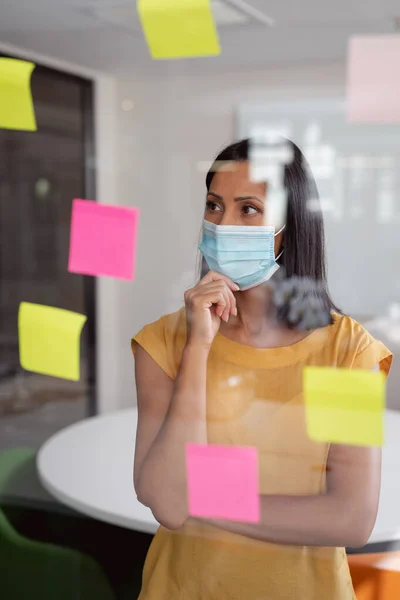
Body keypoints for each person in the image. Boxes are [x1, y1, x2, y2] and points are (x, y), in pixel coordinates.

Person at [131, 138, 392, 599]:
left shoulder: (346, 352)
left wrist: (202, 497)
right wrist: (197, 348)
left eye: (248, 209)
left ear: (288, 230)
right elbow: (168, 505)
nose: (222, 223)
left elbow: (349, 517)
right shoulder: (164, 343)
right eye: (214, 205)